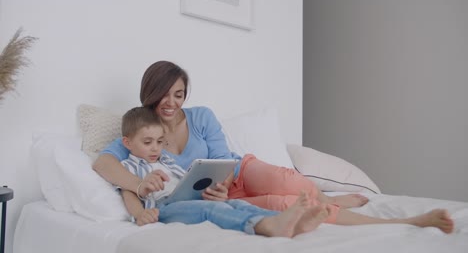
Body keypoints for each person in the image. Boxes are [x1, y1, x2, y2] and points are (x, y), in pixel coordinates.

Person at [94, 61, 454, 233]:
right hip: (212, 198)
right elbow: (104, 164)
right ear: (149, 94)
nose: (172, 102)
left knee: (288, 183)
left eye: (179, 94)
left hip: (237, 172)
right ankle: (405, 222)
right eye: (164, 94)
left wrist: (221, 183)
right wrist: (139, 186)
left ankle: (331, 198)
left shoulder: (200, 115)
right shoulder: (143, 133)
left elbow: (221, 159)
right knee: (289, 205)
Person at [117, 106, 329, 237]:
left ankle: (290, 221)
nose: (155, 147)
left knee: (234, 204)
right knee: (209, 212)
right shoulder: (130, 166)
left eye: (160, 142)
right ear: (128, 142)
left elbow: (184, 182)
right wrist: (140, 214)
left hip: (188, 199)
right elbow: (129, 193)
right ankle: (264, 226)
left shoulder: (166, 160)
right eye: (148, 142)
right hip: (164, 209)